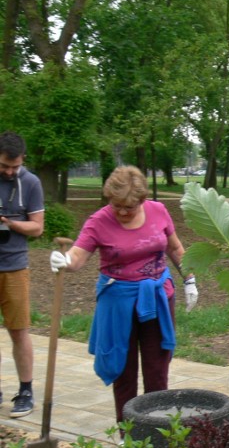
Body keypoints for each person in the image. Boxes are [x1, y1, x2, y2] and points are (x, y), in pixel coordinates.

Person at [49, 166, 198, 423]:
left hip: (157, 299)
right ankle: (127, 440)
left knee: (157, 371)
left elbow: (175, 249)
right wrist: (64, 260)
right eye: (116, 205)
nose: (121, 212)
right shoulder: (98, 221)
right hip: (118, 304)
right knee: (124, 372)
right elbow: (77, 257)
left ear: (142, 200)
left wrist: (190, 280)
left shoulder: (158, 211)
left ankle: (156, 434)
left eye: (129, 207)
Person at [0, 131, 44, 418]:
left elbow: (37, 228)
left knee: (19, 331)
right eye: (4, 165)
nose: (9, 171)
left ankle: (25, 391)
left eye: (14, 166)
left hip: (14, 267)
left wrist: (8, 223)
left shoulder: (30, 183)